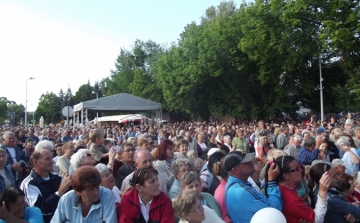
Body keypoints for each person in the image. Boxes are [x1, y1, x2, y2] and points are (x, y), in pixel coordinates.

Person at [225, 151, 282, 223]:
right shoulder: (241, 191)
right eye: (246, 162)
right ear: (235, 170)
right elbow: (275, 209)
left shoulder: (234, 183)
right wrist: (271, 181)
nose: (251, 162)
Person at [50, 166, 117, 222]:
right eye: (90, 189)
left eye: (97, 187)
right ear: (78, 191)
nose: (96, 192)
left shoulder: (107, 195)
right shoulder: (66, 199)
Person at [274, 156, 330, 223]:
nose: (301, 170)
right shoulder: (292, 199)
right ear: (286, 176)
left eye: (299, 166)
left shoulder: (282, 187)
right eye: (297, 169)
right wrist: (322, 192)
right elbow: (317, 219)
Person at [20, 149, 71, 223]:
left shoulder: (57, 177)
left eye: (52, 158)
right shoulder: (29, 184)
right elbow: (41, 210)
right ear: (35, 162)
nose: (52, 162)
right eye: (47, 159)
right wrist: (59, 193)